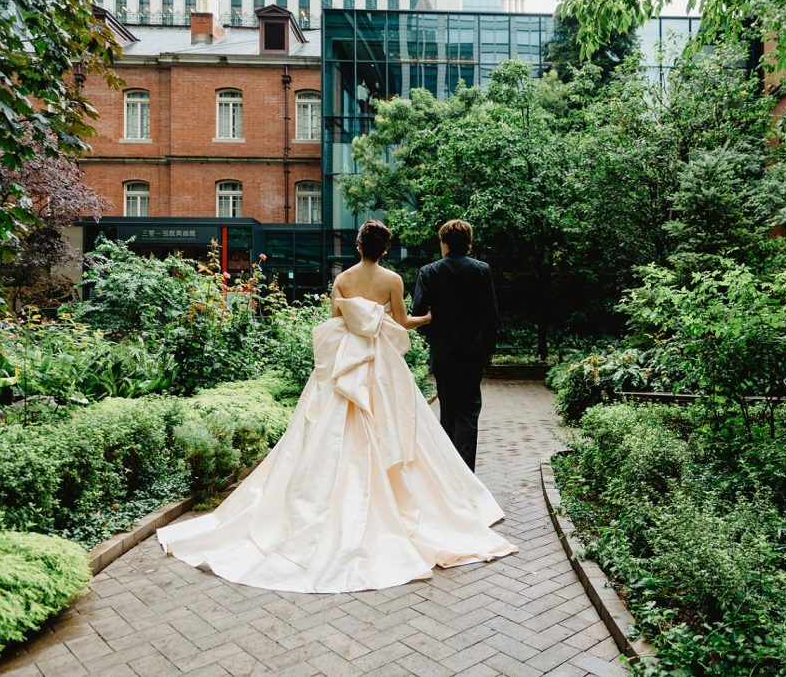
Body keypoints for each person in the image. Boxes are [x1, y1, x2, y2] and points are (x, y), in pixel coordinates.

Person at [156, 220, 516, 594]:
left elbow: (335, 323)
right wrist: (428, 318)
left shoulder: (342, 280)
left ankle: (328, 497)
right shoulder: (393, 280)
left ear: (359, 246)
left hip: (347, 363)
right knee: (395, 422)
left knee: (329, 431)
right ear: (385, 250)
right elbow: (403, 321)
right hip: (380, 365)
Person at [412, 220, 498, 473]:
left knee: (448, 414)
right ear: (468, 241)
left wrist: (435, 335)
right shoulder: (482, 270)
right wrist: (488, 350)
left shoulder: (429, 272)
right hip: (472, 353)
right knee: (469, 414)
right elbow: (490, 315)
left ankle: (449, 475)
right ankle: (466, 475)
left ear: (445, 242)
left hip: (443, 353)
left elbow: (419, 313)